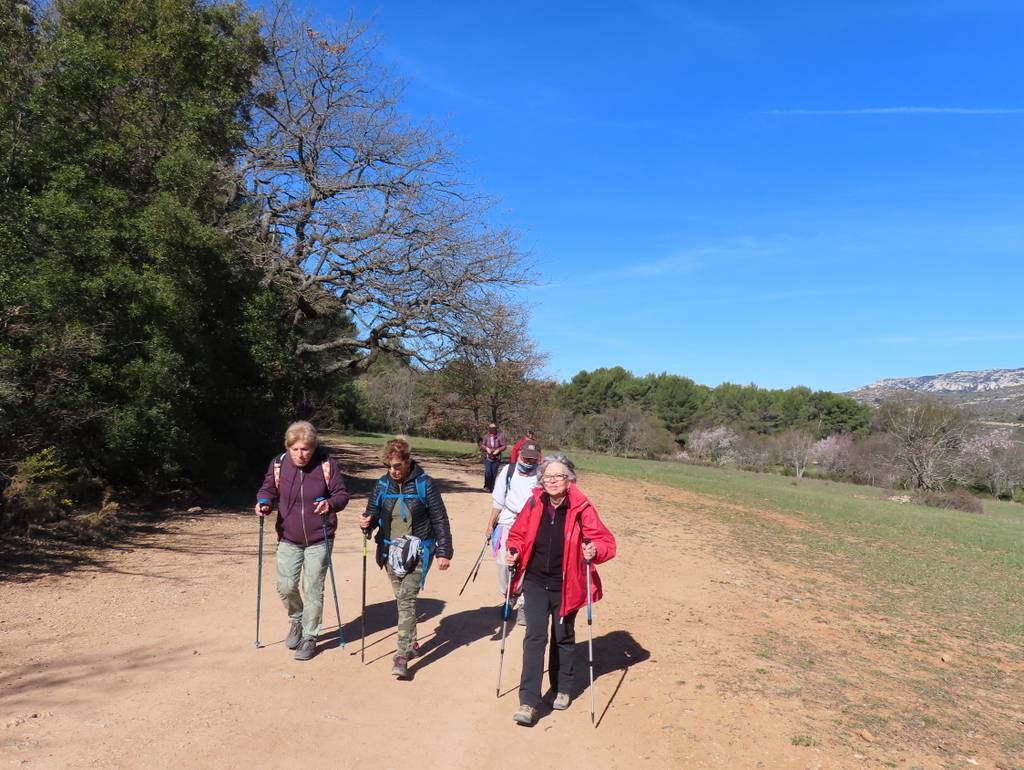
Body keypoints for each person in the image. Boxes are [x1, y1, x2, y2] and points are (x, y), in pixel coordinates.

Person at [505, 453, 616, 726]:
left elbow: (606, 542)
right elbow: (517, 535)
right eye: (548, 476)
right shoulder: (533, 503)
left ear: (569, 479)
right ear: (541, 480)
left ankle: (562, 686)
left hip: (567, 583)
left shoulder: (581, 507)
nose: (553, 481)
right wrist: (514, 551)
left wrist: (594, 550)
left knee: (563, 636)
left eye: (559, 476)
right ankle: (528, 701)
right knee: (534, 636)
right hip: (534, 580)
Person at [255, 420, 350, 661]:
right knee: (285, 586)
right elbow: (268, 488)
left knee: (313, 588)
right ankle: (296, 620)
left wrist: (330, 503)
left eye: (305, 449)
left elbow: (341, 494)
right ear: (288, 448)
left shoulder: (327, 465)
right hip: (288, 536)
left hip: (320, 537)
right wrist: (263, 502)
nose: (300, 454)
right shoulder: (278, 464)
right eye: (295, 449)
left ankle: (310, 636)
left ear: (313, 447)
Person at [359, 437, 453, 679]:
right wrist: (365, 525)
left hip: (419, 550)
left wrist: (444, 551)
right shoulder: (382, 485)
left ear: (408, 461)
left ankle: (401, 655)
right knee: (401, 600)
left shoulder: (425, 484)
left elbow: (440, 519)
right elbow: (371, 514)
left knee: (406, 598)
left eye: (397, 466)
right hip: (390, 551)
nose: (393, 471)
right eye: (389, 466)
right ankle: (411, 642)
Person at [487, 439, 542, 625]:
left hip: (532, 524)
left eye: (532, 459)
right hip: (508, 522)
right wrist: (490, 524)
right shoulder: (508, 471)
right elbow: (498, 501)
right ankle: (508, 595)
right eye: (526, 458)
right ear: (519, 455)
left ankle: (522, 602)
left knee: (526, 565)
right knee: (504, 564)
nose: (528, 462)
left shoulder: (542, 475)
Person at [479, 422, 506, 492]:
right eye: (491, 428)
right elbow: (482, 445)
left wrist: (498, 450)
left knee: (493, 473)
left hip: (496, 457)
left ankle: (492, 487)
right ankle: (486, 486)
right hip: (488, 456)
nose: (492, 430)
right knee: (488, 472)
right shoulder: (486, 436)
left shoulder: (500, 436)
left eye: (493, 428)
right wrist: (486, 448)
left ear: (495, 429)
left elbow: (504, 446)